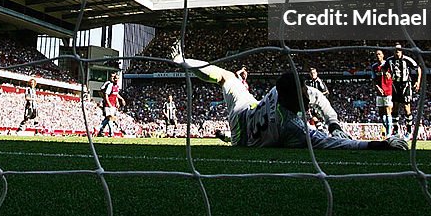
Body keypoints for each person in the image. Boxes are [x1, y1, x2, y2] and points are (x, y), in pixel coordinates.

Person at [173, 41, 407, 150]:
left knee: (226, 77)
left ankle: (182, 61)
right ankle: (227, 137)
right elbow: (335, 144)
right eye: (304, 96)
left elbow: (319, 99)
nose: (308, 97)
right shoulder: (293, 128)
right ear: (291, 102)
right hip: (243, 137)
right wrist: (382, 145)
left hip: (247, 110)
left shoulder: (282, 88)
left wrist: (334, 122)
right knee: (229, 80)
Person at [386, 44, 420, 137]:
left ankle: (409, 131)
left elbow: (418, 68)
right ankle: (396, 130)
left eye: (399, 50)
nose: (397, 52)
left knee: (406, 107)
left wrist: (418, 81)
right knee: (395, 107)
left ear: (402, 51)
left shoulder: (407, 59)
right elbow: (384, 69)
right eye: (395, 50)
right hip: (395, 85)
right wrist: (387, 73)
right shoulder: (389, 60)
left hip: (405, 85)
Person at [369, 49, 394, 137]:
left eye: (379, 54)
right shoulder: (374, 66)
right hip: (379, 92)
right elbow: (373, 80)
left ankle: (389, 133)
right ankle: (387, 128)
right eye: (376, 55)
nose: (378, 56)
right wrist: (378, 88)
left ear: (383, 55)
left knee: (388, 111)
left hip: (388, 91)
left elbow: (393, 75)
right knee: (381, 113)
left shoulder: (388, 64)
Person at [96, 72, 126, 137]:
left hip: (113, 104)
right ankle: (111, 133)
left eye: (117, 78)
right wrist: (108, 103)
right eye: (114, 78)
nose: (116, 79)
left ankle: (98, 129)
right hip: (108, 105)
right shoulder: (109, 84)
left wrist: (119, 100)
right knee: (110, 118)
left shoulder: (117, 86)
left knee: (108, 119)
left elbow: (115, 94)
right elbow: (105, 94)